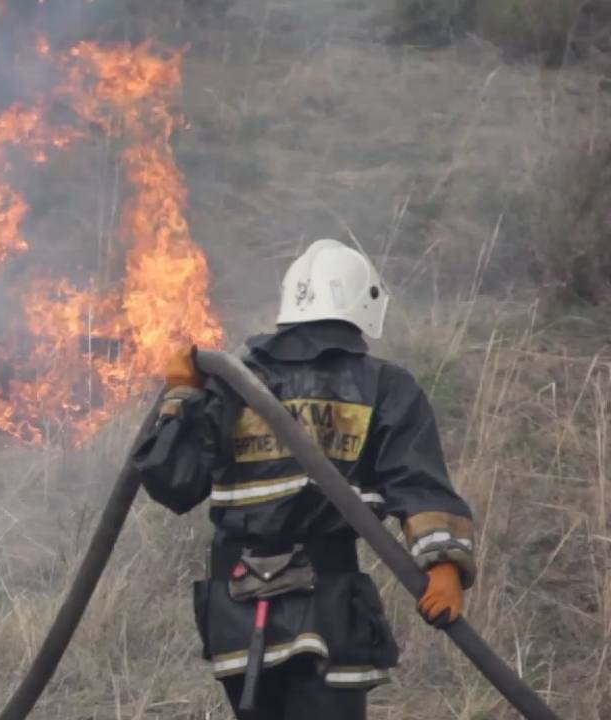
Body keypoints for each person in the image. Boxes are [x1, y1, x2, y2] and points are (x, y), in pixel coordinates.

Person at [133, 239, 475, 720]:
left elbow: (171, 483)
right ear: (364, 303)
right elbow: (416, 479)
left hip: (238, 607)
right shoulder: (383, 385)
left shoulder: (229, 382)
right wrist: (446, 564)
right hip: (329, 605)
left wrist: (182, 400)